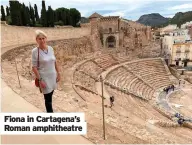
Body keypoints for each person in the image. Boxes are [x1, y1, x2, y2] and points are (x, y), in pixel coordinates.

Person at [32, 30, 60, 113]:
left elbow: (54, 61)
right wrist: (40, 80)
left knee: (50, 95)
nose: (42, 40)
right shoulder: (35, 52)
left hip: (52, 77)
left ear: (46, 39)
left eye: (43, 38)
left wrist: (59, 73)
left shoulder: (51, 49)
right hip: (44, 78)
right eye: (39, 39)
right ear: (36, 40)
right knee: (48, 100)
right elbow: (34, 67)